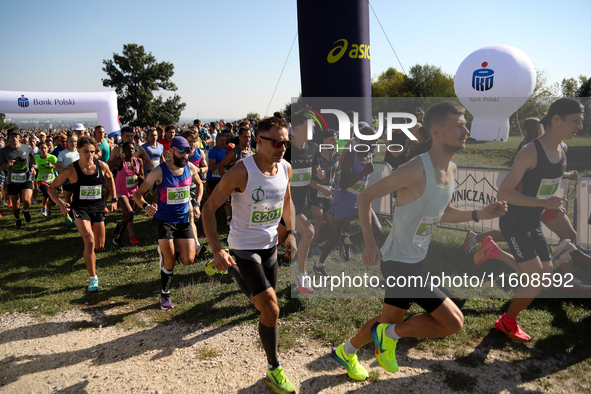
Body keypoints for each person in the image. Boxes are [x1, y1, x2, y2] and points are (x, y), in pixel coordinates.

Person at [332, 101, 507, 380]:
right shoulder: (414, 169)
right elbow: (365, 197)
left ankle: (348, 350)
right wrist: (369, 243)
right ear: (436, 132)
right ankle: (387, 336)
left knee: (389, 321)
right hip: (399, 262)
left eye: (465, 124)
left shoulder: (452, 170)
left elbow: (440, 213)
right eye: (458, 125)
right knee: (453, 322)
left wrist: (478, 213)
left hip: (416, 258)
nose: (466, 129)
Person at [202, 116, 297, 394]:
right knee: (270, 307)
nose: (282, 148)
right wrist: (218, 248)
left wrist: (290, 232)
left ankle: (229, 269)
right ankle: (274, 367)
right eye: (277, 142)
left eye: (286, 142)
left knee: (260, 304)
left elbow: (287, 201)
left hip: (269, 246)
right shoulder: (241, 172)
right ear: (260, 141)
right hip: (243, 246)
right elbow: (209, 209)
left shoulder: (286, 169)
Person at [494, 98, 584, 341]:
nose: (580, 126)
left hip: (533, 221)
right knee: (537, 278)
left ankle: (494, 252)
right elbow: (504, 193)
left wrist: (552, 201)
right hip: (514, 221)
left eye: (581, 121)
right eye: (575, 120)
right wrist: (545, 203)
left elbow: (546, 180)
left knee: (543, 277)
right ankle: (506, 321)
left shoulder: (562, 148)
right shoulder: (530, 151)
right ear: (556, 119)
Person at [133, 136, 203, 310]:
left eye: (188, 151)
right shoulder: (159, 172)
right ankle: (165, 295)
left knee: (188, 260)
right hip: (164, 220)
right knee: (170, 262)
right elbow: (137, 194)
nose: (185, 155)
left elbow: (200, 185)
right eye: (181, 151)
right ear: (171, 151)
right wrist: (146, 205)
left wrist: (196, 203)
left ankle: (168, 253)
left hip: (183, 220)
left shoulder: (191, 168)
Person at [312, 126, 382, 278]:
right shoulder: (351, 155)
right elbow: (343, 184)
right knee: (334, 237)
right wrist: (363, 173)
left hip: (361, 199)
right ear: (362, 140)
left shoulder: (370, 153)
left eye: (376, 141)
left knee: (377, 230)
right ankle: (319, 265)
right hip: (344, 199)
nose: (375, 144)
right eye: (373, 141)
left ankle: (347, 241)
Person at [48, 136, 117, 292]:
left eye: (92, 152)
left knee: (99, 246)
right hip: (81, 209)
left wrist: (114, 199)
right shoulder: (70, 170)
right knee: (90, 241)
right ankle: (93, 278)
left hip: (98, 208)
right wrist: (61, 204)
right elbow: (51, 188)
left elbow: (110, 178)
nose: (89, 155)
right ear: (78, 150)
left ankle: (88, 251)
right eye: (85, 151)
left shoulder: (102, 166)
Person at [287, 110, 326, 293]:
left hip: (299, 204)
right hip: (283, 204)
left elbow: (313, 173)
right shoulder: (286, 151)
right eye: (308, 126)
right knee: (308, 231)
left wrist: (320, 179)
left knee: (307, 232)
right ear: (296, 129)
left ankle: (301, 274)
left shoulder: (313, 148)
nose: (312, 129)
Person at [308, 129, 340, 256]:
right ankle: (312, 246)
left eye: (336, 139)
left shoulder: (337, 156)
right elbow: (309, 180)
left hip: (330, 193)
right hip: (315, 192)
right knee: (319, 220)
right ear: (324, 140)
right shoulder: (315, 156)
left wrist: (339, 189)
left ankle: (334, 242)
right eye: (332, 139)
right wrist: (323, 189)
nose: (335, 141)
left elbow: (336, 174)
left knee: (333, 220)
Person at [0, 129, 36, 228]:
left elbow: (32, 157)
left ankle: (25, 210)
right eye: (12, 136)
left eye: (16, 136)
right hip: (12, 180)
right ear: (8, 138)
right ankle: (17, 219)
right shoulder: (4, 151)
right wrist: (6, 165)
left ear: (19, 138)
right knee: (15, 205)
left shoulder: (27, 147)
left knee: (26, 200)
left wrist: (32, 166)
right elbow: (0, 166)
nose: (14, 138)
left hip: (26, 177)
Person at [180, 128, 208, 257]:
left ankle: (195, 244)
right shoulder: (180, 154)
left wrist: (198, 170)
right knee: (188, 215)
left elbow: (206, 167)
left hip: (195, 185)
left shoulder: (199, 152)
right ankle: (191, 244)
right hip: (182, 187)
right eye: (189, 141)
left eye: (193, 141)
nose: (191, 144)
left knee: (191, 216)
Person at [111, 142, 144, 246]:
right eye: (128, 149)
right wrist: (110, 178)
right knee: (129, 215)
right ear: (123, 151)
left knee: (127, 217)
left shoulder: (138, 161)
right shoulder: (119, 162)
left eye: (133, 149)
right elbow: (107, 168)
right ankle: (118, 225)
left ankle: (117, 238)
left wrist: (137, 173)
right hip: (121, 192)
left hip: (134, 193)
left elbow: (143, 179)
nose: (131, 151)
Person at [206, 133, 232, 224]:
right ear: (216, 140)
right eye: (221, 140)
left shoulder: (224, 151)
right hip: (212, 179)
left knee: (225, 197)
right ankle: (209, 217)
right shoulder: (213, 151)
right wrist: (221, 165)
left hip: (221, 177)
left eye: (224, 140)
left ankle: (229, 218)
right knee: (214, 199)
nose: (223, 142)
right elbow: (211, 167)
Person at [56, 133, 80, 226]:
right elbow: (57, 167)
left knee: (77, 200)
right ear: (67, 142)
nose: (73, 143)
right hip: (67, 181)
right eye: (71, 141)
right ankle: (69, 216)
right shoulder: (63, 153)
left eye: (75, 141)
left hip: (78, 180)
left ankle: (77, 219)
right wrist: (67, 172)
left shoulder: (79, 152)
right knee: (68, 201)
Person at [34, 141, 58, 217]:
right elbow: (33, 165)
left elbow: (58, 168)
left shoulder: (52, 157)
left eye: (45, 148)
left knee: (52, 196)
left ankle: (48, 210)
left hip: (51, 180)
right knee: (46, 193)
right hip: (41, 179)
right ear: (39, 150)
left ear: (48, 148)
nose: (43, 150)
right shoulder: (36, 158)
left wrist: (52, 166)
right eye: (41, 148)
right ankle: (43, 207)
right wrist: (33, 168)